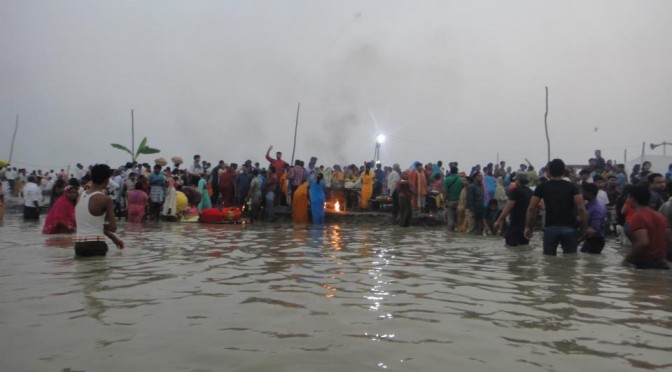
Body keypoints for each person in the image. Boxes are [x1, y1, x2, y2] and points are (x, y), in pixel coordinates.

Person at [525, 159, 588, 256]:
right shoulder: (572, 187)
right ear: (563, 171)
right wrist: (584, 228)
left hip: (550, 228)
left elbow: (531, 208)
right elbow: (581, 209)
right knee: (570, 263)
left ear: (549, 171)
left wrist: (528, 227)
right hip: (569, 228)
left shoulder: (542, 187)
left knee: (548, 263)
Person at [74, 164, 124, 256]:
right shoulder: (105, 199)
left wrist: (114, 239)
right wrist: (113, 237)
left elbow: (91, 225)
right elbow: (113, 227)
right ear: (106, 180)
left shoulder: (80, 196)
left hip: (79, 245)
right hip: (95, 245)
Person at [622, 183, 670, 269]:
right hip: (662, 263)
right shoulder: (659, 216)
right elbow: (668, 238)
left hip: (645, 264)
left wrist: (626, 260)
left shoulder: (638, 216)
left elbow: (643, 243)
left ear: (632, 199)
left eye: (628, 197)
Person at [494, 173, 532, 246]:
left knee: (510, 247)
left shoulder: (515, 191)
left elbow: (508, 207)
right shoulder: (531, 192)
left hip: (515, 225)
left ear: (518, 181)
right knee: (524, 248)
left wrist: (498, 221)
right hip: (527, 226)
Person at [580, 183, 607, 254]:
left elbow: (594, 230)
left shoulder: (596, 209)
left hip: (595, 240)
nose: (581, 193)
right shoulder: (590, 205)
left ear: (590, 193)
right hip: (591, 239)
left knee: (591, 263)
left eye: (583, 191)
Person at [442, 165, 463, 232]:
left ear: (450, 171)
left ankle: (451, 237)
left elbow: (445, 192)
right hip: (460, 203)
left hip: (450, 202)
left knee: (450, 222)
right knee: (459, 221)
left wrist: (444, 200)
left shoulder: (447, 179)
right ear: (457, 171)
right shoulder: (461, 180)